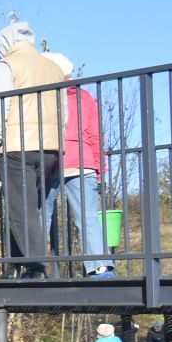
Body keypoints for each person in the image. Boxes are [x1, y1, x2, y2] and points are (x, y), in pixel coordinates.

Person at [0, 20, 64, 279]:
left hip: (18, 146)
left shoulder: (7, 65)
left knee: (21, 209)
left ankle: (35, 267)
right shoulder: (52, 67)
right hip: (51, 148)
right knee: (29, 207)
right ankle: (15, 265)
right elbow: (63, 111)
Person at [42, 51, 115, 277]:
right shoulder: (84, 97)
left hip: (51, 160)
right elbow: (95, 135)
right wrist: (100, 169)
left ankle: (33, 267)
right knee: (89, 216)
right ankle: (101, 266)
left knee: (40, 216)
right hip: (83, 162)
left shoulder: (43, 96)